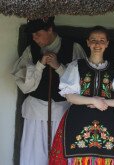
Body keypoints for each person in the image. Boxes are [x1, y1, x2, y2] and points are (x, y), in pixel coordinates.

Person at [49, 25, 114, 165]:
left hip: (108, 122)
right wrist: (92, 100)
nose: (97, 44)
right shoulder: (76, 66)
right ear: (88, 42)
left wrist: (102, 102)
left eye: (102, 40)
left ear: (107, 44)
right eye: (94, 40)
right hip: (78, 121)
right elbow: (70, 96)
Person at [11, 16, 86, 165]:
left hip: (62, 112)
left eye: (37, 34)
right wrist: (39, 65)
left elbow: (82, 83)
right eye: (32, 36)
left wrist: (58, 66)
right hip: (35, 113)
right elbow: (25, 85)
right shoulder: (31, 50)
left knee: (61, 154)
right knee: (34, 154)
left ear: (50, 29)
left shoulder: (73, 47)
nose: (35, 38)